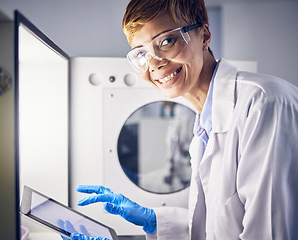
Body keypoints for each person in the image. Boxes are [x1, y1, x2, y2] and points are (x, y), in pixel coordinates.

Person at [65, 0, 298, 239]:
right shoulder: (204, 126)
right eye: (141, 53)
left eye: (166, 41)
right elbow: (215, 229)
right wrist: (155, 221)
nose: (154, 63)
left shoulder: (264, 104)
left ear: (204, 35)